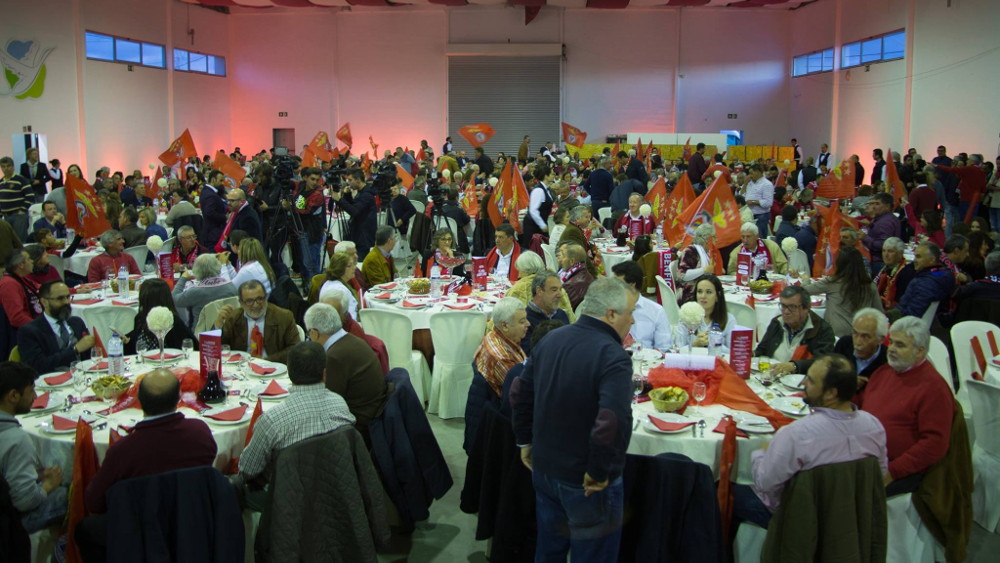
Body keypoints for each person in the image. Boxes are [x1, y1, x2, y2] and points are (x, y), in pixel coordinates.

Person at [511, 277, 637, 561]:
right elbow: (612, 419)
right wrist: (600, 470)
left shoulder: (552, 338)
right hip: (585, 481)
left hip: (544, 471)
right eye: (631, 312)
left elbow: (520, 393)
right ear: (612, 314)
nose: (633, 321)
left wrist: (525, 442)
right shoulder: (612, 355)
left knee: (549, 550)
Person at [75, 368, 217, 560]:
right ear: (178, 400)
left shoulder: (123, 450)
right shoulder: (200, 433)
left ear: (138, 401)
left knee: (86, 529)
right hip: (192, 522)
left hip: (138, 531)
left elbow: (94, 502)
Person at [733, 353, 888, 528]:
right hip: (850, 518)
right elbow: (879, 476)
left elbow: (765, 483)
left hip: (797, 520)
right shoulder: (874, 426)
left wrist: (761, 452)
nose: (803, 383)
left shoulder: (797, 434)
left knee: (721, 490)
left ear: (831, 393)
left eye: (811, 381)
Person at [856, 316, 955, 495]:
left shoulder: (934, 388)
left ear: (920, 351)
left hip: (900, 470)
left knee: (839, 490)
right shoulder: (885, 371)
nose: (891, 349)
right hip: (864, 454)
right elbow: (865, 403)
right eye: (891, 342)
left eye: (900, 345)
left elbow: (935, 444)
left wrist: (892, 472)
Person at [237, 341, 356, 483]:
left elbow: (247, 470)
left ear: (289, 374)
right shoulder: (340, 404)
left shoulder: (273, 420)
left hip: (287, 497)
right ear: (324, 374)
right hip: (337, 488)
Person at [0, 362, 66, 534]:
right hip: (11, 525)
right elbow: (25, 501)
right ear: (13, 396)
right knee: (69, 493)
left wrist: (36, 474)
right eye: (31, 391)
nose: (35, 396)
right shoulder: (17, 439)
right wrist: (49, 484)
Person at [304, 303, 386, 437]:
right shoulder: (352, 340)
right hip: (374, 411)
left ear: (314, 333)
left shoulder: (335, 356)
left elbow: (328, 402)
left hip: (360, 425)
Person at [796, 247, 883, 338]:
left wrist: (806, 279)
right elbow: (879, 312)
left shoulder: (833, 282)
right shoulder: (869, 284)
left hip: (836, 335)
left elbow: (802, 290)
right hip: (861, 335)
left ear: (839, 264)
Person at [17, 280, 95, 372]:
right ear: (44, 302)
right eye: (60, 298)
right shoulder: (29, 331)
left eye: (68, 297)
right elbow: (37, 366)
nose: (66, 302)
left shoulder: (77, 322)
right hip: (49, 382)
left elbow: (89, 357)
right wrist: (75, 350)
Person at [216, 280, 301, 363]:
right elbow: (220, 347)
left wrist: (265, 361)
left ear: (266, 297)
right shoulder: (233, 317)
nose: (256, 305)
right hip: (241, 368)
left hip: (273, 368)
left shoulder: (284, 317)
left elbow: (294, 348)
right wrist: (218, 326)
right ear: (241, 302)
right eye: (249, 301)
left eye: (260, 299)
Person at [757, 285, 836, 374]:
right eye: (783, 306)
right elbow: (761, 350)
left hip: (800, 383)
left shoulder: (822, 330)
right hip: (772, 375)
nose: (786, 312)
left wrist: (794, 366)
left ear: (806, 308)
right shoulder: (777, 322)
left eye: (792, 307)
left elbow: (823, 363)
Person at [124, 278, 197, 355]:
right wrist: (127, 341)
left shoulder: (172, 322)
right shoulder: (140, 318)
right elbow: (136, 346)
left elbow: (186, 351)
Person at [474, 297, 529, 396]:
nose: (528, 324)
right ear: (505, 326)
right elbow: (522, 393)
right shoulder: (502, 357)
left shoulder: (496, 334)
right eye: (522, 322)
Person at [613, 261, 672, 350]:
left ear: (632, 285)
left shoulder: (656, 311)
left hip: (646, 360)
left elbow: (664, 348)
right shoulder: (608, 308)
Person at [888, 241, 955, 321]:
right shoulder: (944, 274)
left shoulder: (924, 284)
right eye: (915, 256)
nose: (914, 260)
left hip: (906, 325)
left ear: (932, 259)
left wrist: (887, 317)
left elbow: (911, 315)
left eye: (918, 257)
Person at [172, 253, 238, 329]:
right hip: (227, 331)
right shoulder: (231, 287)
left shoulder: (195, 292)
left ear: (196, 270)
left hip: (201, 335)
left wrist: (183, 278)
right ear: (218, 266)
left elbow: (174, 299)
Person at [506, 251, 576, 322]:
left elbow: (506, 318)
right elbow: (571, 318)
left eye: (520, 271)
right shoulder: (557, 286)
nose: (519, 275)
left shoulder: (519, 289)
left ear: (526, 270)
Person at [282, 166, 325, 281]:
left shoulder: (317, 194)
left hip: (312, 232)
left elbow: (304, 210)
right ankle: (309, 284)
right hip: (302, 229)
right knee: (305, 263)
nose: (315, 182)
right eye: (312, 179)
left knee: (311, 263)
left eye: (317, 180)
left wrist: (289, 206)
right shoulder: (301, 187)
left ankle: (315, 287)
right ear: (305, 177)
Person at [680, 274, 737, 351]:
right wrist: (694, 345)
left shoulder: (729, 320)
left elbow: (733, 353)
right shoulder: (686, 316)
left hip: (717, 361)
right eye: (700, 292)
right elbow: (677, 349)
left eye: (709, 292)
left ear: (717, 296)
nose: (703, 296)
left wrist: (714, 343)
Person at [333, 170, 378, 257]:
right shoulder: (361, 193)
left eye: (350, 180)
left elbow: (354, 211)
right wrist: (347, 195)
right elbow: (355, 206)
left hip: (364, 236)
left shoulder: (367, 195)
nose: (348, 183)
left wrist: (339, 200)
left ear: (358, 180)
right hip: (359, 232)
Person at [523, 271, 570, 353]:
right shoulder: (525, 320)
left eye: (560, 289)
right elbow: (529, 355)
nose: (560, 295)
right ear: (539, 291)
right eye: (554, 290)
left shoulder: (561, 314)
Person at [0, 249, 42, 329]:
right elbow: (17, 318)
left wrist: (71, 290)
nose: (32, 261)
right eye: (29, 259)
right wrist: (40, 327)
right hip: (24, 332)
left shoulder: (22, 278)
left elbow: (44, 288)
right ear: (21, 265)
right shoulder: (9, 284)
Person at [863, 193, 901, 277]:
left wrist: (865, 238)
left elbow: (884, 244)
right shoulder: (885, 218)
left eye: (877, 204)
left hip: (879, 262)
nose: (873, 207)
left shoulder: (885, 222)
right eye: (873, 204)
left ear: (887, 206)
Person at [873, 237, 915, 310]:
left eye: (890, 251)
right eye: (884, 251)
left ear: (900, 253)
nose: (886, 255)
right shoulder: (883, 269)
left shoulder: (906, 273)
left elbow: (901, 301)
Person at [0, 155, 34, 241]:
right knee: (8, 241)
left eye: (8, 166)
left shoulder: (20, 179)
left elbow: (30, 195)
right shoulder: (1, 182)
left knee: (20, 241)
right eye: (3, 166)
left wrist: (23, 209)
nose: (6, 169)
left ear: (13, 167)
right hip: (6, 216)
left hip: (18, 215)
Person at [319, 253, 360, 321]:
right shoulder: (339, 290)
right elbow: (349, 319)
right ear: (340, 269)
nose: (354, 267)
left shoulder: (330, 283)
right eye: (349, 266)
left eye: (353, 264)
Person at [522, 163, 555, 246]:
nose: (553, 175)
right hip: (533, 225)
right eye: (551, 173)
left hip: (540, 223)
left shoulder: (547, 188)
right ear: (546, 176)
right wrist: (542, 225)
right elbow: (533, 210)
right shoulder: (538, 191)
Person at [557, 242, 594, 310]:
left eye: (563, 256)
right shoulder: (583, 271)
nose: (560, 259)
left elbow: (562, 309)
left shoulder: (570, 285)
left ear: (571, 261)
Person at [744, 164, 775, 236]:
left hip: (761, 216)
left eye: (751, 173)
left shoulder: (767, 184)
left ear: (758, 172)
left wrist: (753, 202)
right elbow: (743, 196)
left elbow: (768, 203)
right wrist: (745, 184)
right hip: (749, 215)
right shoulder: (750, 183)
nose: (750, 175)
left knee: (760, 238)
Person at [200, 170, 228, 250]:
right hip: (213, 232)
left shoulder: (207, 191)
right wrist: (225, 217)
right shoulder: (210, 195)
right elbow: (210, 212)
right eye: (220, 180)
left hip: (210, 231)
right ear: (213, 180)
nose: (222, 183)